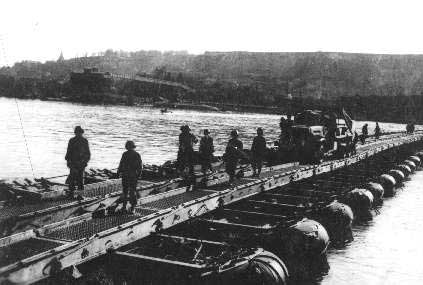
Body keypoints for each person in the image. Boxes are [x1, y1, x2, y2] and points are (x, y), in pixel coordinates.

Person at [117, 140, 142, 212]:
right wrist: (139, 175)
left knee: (125, 192)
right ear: (133, 147)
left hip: (125, 175)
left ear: (127, 147)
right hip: (133, 175)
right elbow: (139, 166)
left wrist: (118, 172)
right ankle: (133, 208)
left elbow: (121, 164)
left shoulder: (125, 154)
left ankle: (124, 207)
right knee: (132, 191)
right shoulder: (137, 154)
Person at [65, 126, 90, 196]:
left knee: (80, 180)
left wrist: (84, 162)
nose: (78, 134)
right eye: (77, 133)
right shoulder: (71, 140)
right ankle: (71, 194)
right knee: (71, 179)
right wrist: (68, 162)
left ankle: (80, 195)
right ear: (75, 133)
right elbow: (68, 152)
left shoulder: (84, 141)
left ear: (81, 133)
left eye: (79, 133)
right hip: (73, 163)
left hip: (81, 164)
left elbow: (87, 154)